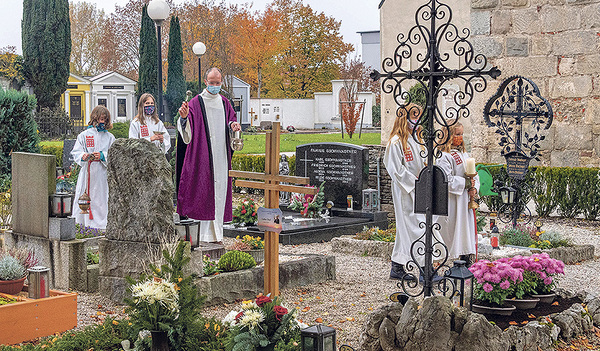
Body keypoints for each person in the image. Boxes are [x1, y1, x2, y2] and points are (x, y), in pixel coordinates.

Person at [176, 67, 241, 243]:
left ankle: (217, 234)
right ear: (205, 82)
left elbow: (231, 121)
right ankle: (202, 235)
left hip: (221, 155)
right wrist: (183, 118)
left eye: (217, 83)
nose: (214, 86)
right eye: (211, 83)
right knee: (203, 191)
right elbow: (186, 131)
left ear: (221, 82)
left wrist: (233, 126)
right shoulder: (196, 103)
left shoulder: (225, 103)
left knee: (219, 192)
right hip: (202, 155)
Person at [383, 104, 427, 281]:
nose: (416, 121)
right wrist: (414, 181)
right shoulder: (396, 141)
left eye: (418, 117)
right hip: (405, 190)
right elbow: (395, 169)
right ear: (405, 117)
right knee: (418, 227)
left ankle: (397, 266)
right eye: (414, 116)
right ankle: (425, 268)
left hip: (419, 188)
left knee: (407, 228)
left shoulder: (416, 140)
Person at [436, 122, 479, 266]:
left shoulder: (464, 153)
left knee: (466, 229)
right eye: (457, 134)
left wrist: (474, 188)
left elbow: (474, 175)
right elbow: (445, 180)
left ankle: (467, 256)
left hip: (465, 198)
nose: (460, 137)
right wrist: (465, 184)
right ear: (448, 135)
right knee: (456, 229)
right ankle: (457, 256)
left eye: (461, 134)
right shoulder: (444, 156)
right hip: (453, 200)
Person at [71, 105, 116, 230]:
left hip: (102, 173)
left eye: (105, 120)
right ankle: (83, 223)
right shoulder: (84, 135)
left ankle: (101, 224)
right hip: (88, 172)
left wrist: (102, 155)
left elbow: (115, 155)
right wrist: (84, 156)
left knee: (101, 197)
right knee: (84, 195)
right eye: (100, 119)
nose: (102, 122)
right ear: (94, 118)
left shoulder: (110, 137)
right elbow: (76, 152)